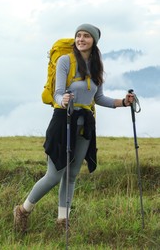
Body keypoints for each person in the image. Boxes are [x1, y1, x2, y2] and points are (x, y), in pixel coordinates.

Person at [13, 23, 136, 233]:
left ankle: (63, 222)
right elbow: (58, 92)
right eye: (78, 35)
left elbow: (98, 98)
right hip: (64, 121)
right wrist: (63, 100)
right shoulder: (64, 61)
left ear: (94, 41)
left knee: (71, 176)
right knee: (54, 175)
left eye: (86, 36)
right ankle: (23, 210)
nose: (81, 39)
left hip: (85, 125)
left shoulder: (96, 66)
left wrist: (123, 102)